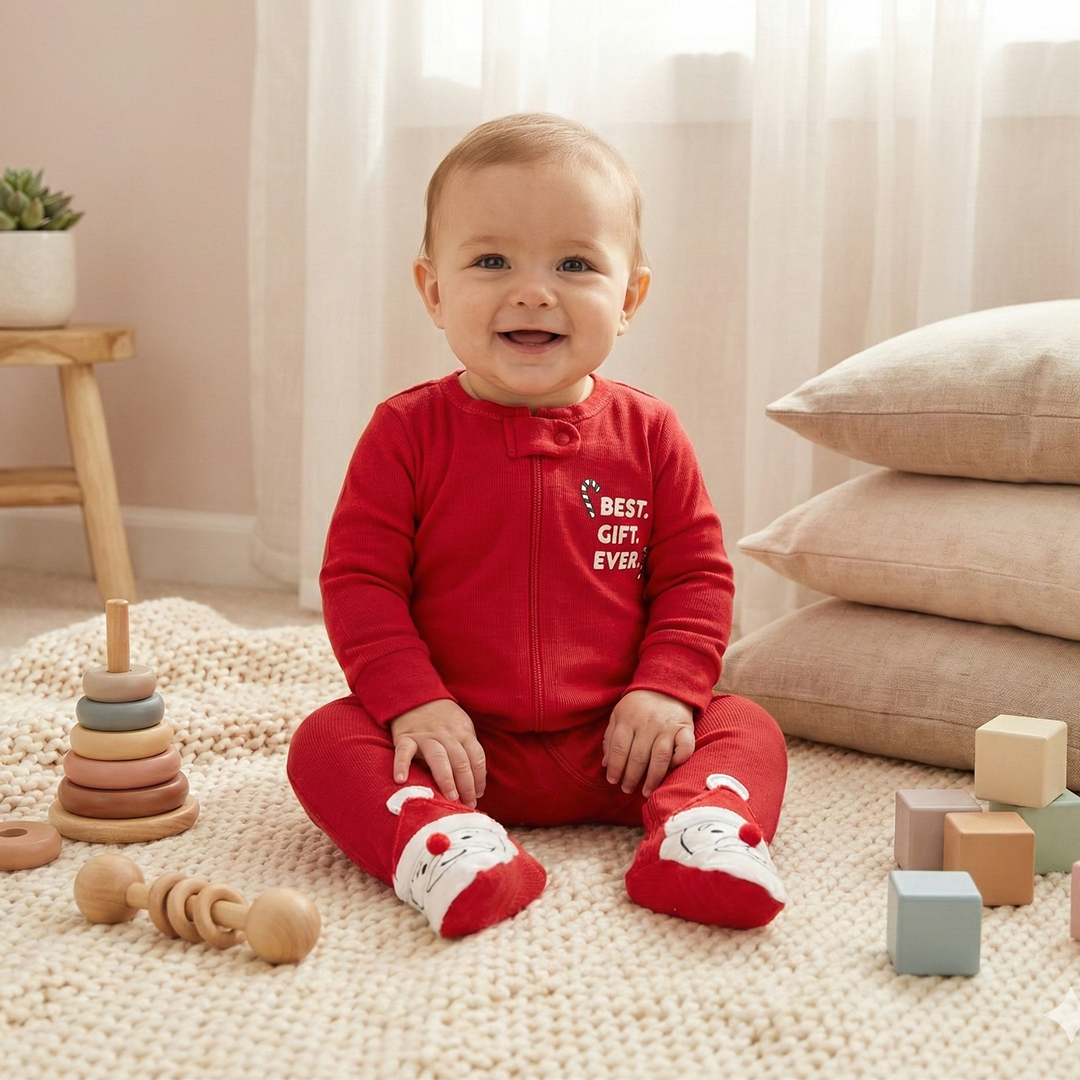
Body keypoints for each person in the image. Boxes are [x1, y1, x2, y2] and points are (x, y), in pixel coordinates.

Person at [287, 113, 788, 938]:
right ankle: (445, 844)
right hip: (460, 749)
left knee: (747, 726)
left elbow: (695, 579)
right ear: (433, 290)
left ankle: (697, 834)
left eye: (574, 263)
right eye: (491, 261)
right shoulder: (405, 432)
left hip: (620, 747)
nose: (532, 290)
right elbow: (360, 582)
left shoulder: (651, 433)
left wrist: (665, 690)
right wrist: (416, 706)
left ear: (628, 299)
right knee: (324, 741)